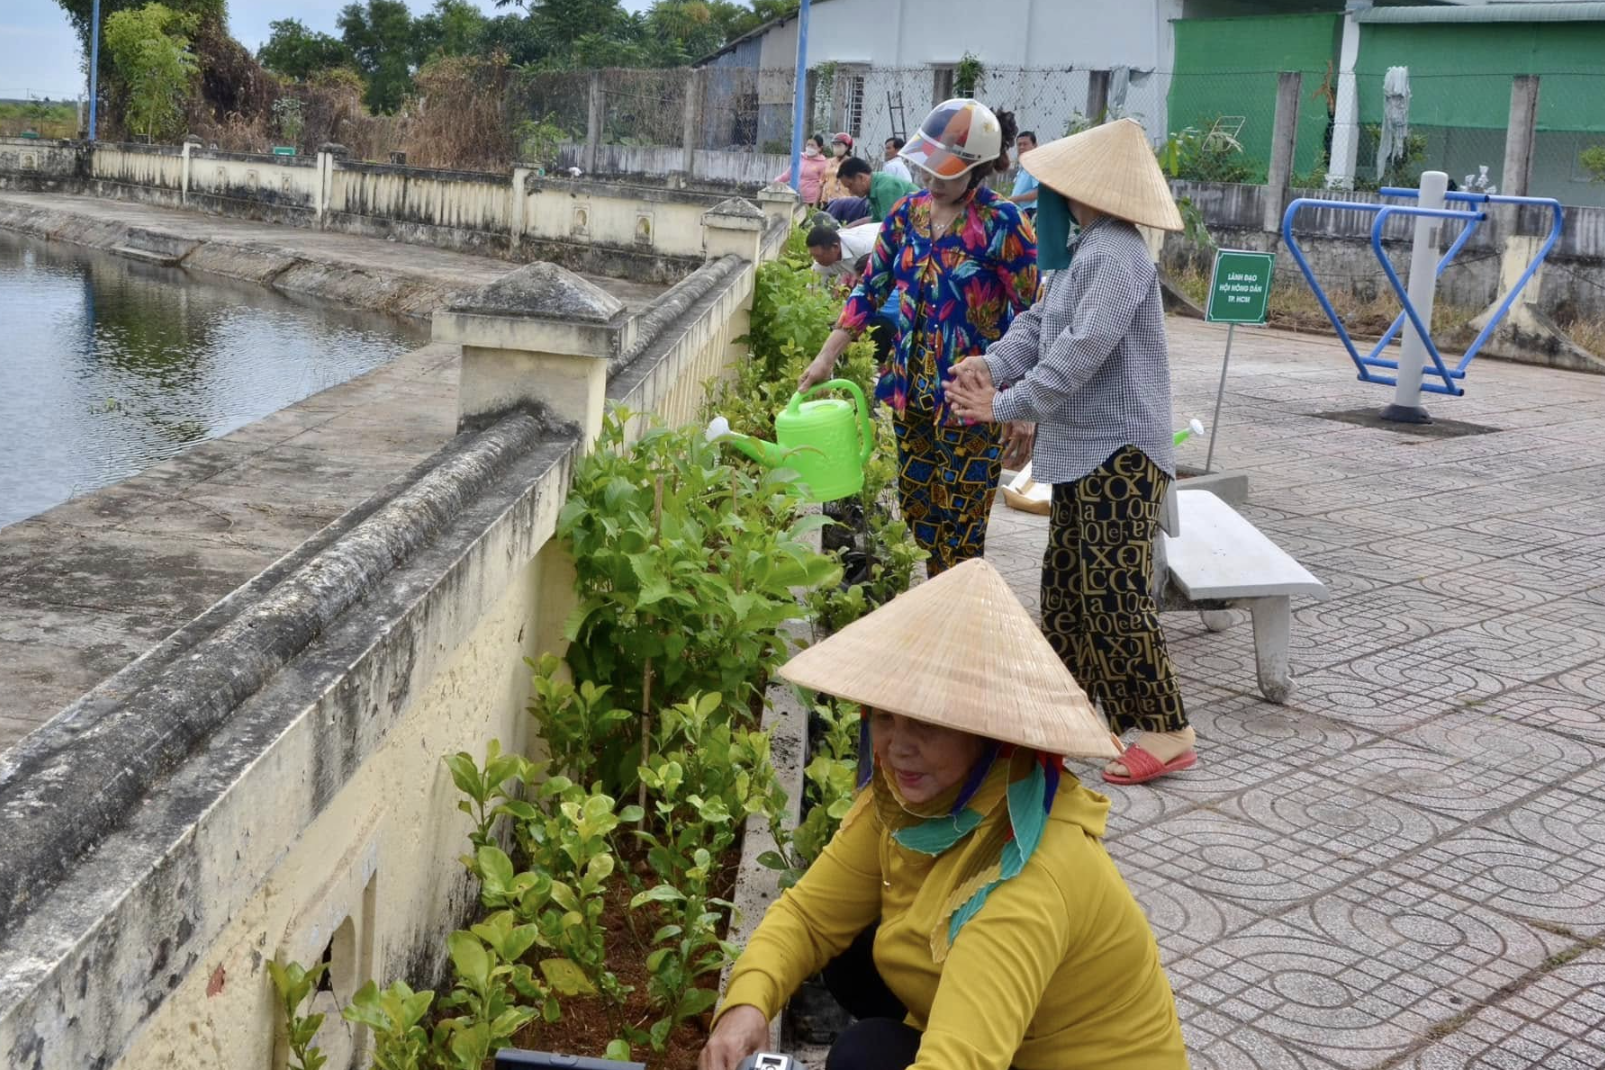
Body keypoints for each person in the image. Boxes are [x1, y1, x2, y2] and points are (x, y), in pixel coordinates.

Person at [699, 558, 1188, 1070]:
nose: (897, 747)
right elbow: (809, 916)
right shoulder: (909, 801)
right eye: (884, 717)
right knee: (850, 954)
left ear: (988, 733)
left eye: (926, 724)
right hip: (1005, 1031)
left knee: (862, 1057)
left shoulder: (1024, 875)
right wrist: (746, 1004)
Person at [945, 118, 1196, 786]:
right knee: (1065, 593)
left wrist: (1002, 405)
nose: (1043, 194)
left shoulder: (1119, 253)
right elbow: (1039, 327)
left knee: (1113, 594)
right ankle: (1072, 714)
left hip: (1120, 451)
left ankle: (1168, 728)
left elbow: (1082, 350)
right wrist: (990, 365)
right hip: (1084, 451)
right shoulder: (1085, 250)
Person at [800, 100, 1038, 576]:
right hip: (911, 395)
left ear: (977, 167)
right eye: (929, 167)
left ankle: (959, 607)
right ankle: (935, 598)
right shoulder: (908, 213)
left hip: (971, 400)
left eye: (947, 172)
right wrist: (827, 356)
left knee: (962, 525)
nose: (932, 179)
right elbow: (870, 287)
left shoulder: (1004, 223)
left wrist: (1023, 404)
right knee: (919, 514)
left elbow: (1033, 315)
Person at [835, 155, 921, 223]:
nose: (850, 193)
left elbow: (890, 226)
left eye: (850, 186)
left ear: (861, 178)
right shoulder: (872, 189)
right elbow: (876, 221)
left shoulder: (885, 188)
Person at [806, 222, 879, 290]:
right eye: (813, 256)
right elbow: (812, 290)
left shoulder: (867, 250)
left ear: (835, 247)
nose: (816, 260)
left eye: (818, 256)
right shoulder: (821, 263)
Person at [776, 135, 830, 207]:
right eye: (808, 144)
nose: (809, 147)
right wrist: (776, 182)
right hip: (796, 197)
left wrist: (815, 205)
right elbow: (788, 174)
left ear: (820, 148)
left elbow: (822, 185)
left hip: (811, 201)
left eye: (812, 145)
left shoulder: (823, 163)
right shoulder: (800, 158)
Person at [1009, 129, 1039, 216]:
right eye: (1019, 144)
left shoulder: (1035, 166)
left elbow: (1038, 193)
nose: (1021, 147)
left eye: (1025, 144)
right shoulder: (1023, 167)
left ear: (1035, 145)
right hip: (1020, 211)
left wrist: (1014, 199)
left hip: (1030, 211)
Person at [821, 131, 856, 203]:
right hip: (828, 199)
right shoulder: (828, 161)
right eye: (834, 145)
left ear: (847, 147)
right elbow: (823, 181)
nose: (836, 147)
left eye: (839, 145)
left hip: (844, 200)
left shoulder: (852, 163)